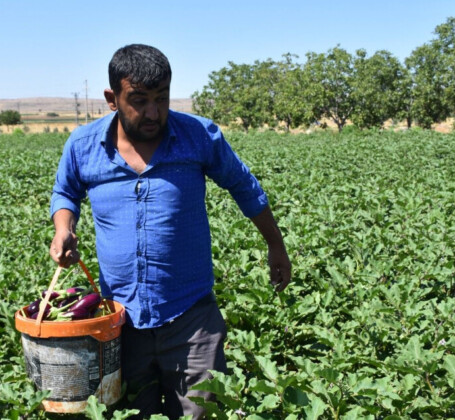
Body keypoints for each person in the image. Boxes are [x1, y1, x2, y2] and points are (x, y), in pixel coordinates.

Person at [48, 44, 291, 419]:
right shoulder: (83, 146)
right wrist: (63, 227)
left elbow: (244, 185)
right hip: (120, 323)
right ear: (112, 99)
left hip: (191, 319)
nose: (153, 112)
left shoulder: (198, 136)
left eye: (161, 98)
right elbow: (66, 191)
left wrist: (275, 244)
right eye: (140, 100)